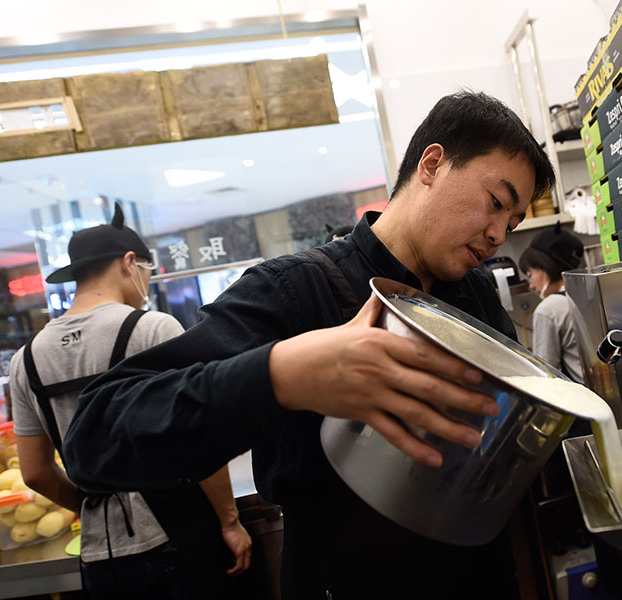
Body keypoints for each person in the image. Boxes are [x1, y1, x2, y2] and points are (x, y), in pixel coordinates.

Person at [62, 91, 556, 598]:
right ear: (432, 164)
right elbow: (95, 438)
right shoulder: (294, 290)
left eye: (512, 223)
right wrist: (280, 375)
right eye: (495, 203)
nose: (498, 234)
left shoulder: (474, 293)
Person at [9, 204, 251, 599]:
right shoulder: (152, 328)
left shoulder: (27, 359)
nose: (148, 283)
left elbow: (35, 472)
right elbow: (195, 435)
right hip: (175, 537)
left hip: (98, 555)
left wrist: (92, 498)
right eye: (147, 271)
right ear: (127, 263)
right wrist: (229, 520)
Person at [519, 222, 584, 381]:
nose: (530, 284)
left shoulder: (549, 309)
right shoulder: (586, 294)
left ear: (546, 266)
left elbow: (546, 373)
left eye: (529, 274)